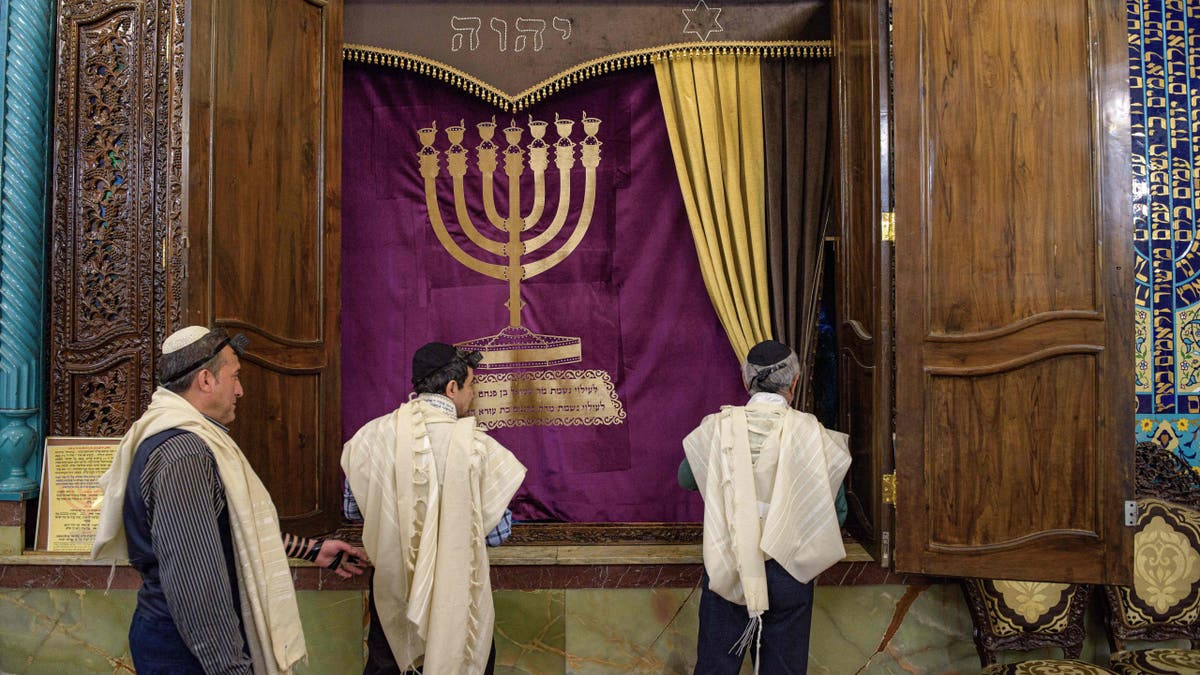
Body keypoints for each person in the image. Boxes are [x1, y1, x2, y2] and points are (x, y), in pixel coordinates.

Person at [91, 325, 368, 675]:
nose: (240, 390)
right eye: (234, 377)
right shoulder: (185, 455)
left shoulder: (185, 440)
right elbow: (195, 580)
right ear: (206, 380)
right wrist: (229, 667)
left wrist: (311, 550)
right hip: (186, 651)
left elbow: (231, 529)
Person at [342, 342, 526, 675]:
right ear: (452, 388)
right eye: (471, 386)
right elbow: (497, 533)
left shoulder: (370, 438)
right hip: (458, 592)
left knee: (390, 665)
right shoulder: (480, 448)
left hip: (392, 590)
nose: (473, 395)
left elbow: (353, 511)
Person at [679, 339, 851, 674]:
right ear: (794, 382)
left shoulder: (718, 428)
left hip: (728, 562)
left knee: (715, 668)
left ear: (746, 381)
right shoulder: (812, 434)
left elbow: (686, 478)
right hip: (789, 570)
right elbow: (838, 512)